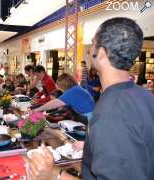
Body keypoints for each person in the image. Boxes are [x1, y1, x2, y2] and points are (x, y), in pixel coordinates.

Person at [28, 17, 154, 180]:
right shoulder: (145, 96)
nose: (89, 51)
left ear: (101, 53)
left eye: (93, 43)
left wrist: (54, 174)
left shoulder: (111, 112)